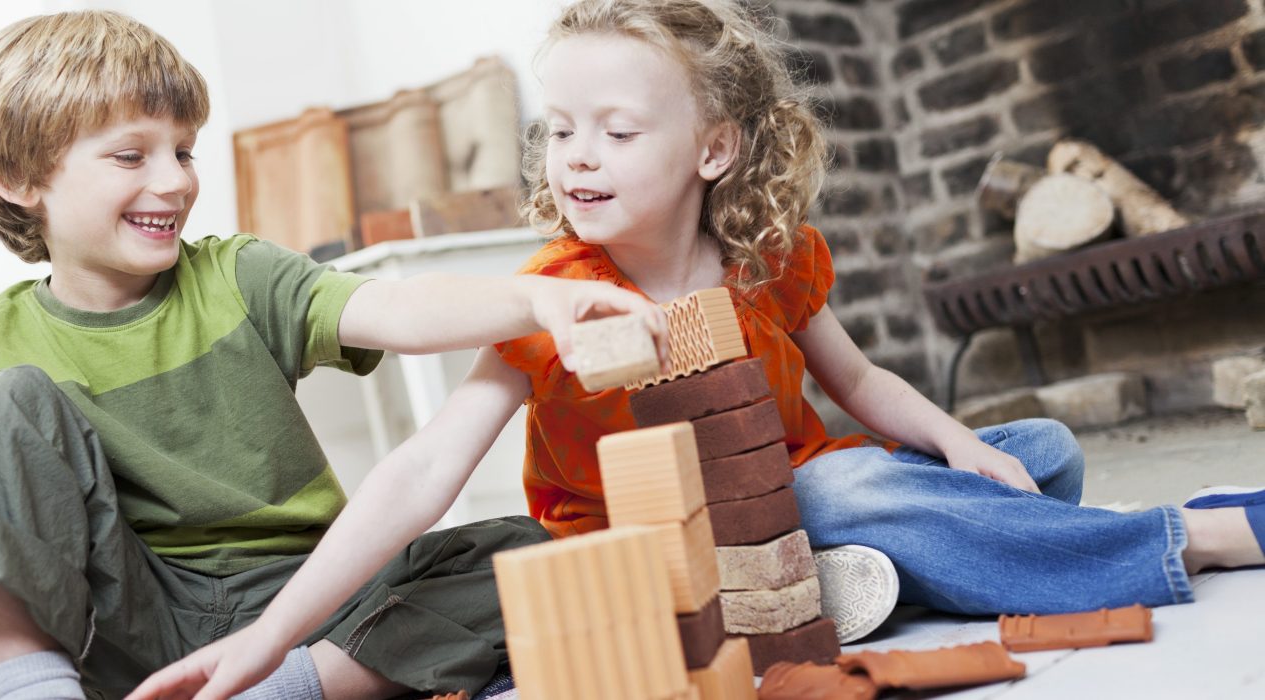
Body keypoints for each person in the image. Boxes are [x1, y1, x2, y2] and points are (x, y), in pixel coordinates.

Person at [134, 0, 1265, 696]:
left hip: (803, 493)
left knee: (1031, 446)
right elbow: (422, 469)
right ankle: (1195, 534)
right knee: (857, 488)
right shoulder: (554, 298)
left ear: (713, 147)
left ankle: (873, 565)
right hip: (659, 552)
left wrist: (962, 441)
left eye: (615, 131)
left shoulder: (769, 256)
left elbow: (860, 381)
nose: (576, 156)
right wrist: (274, 639)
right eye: (560, 128)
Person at [0, 10, 668, 700]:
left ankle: (290, 688)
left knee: (527, 557)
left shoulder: (237, 275)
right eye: (130, 156)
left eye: (183, 151)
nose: (174, 181)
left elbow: (390, 307)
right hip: (130, 624)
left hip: (306, 603)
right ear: (17, 179)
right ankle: (37, 689)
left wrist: (534, 298)